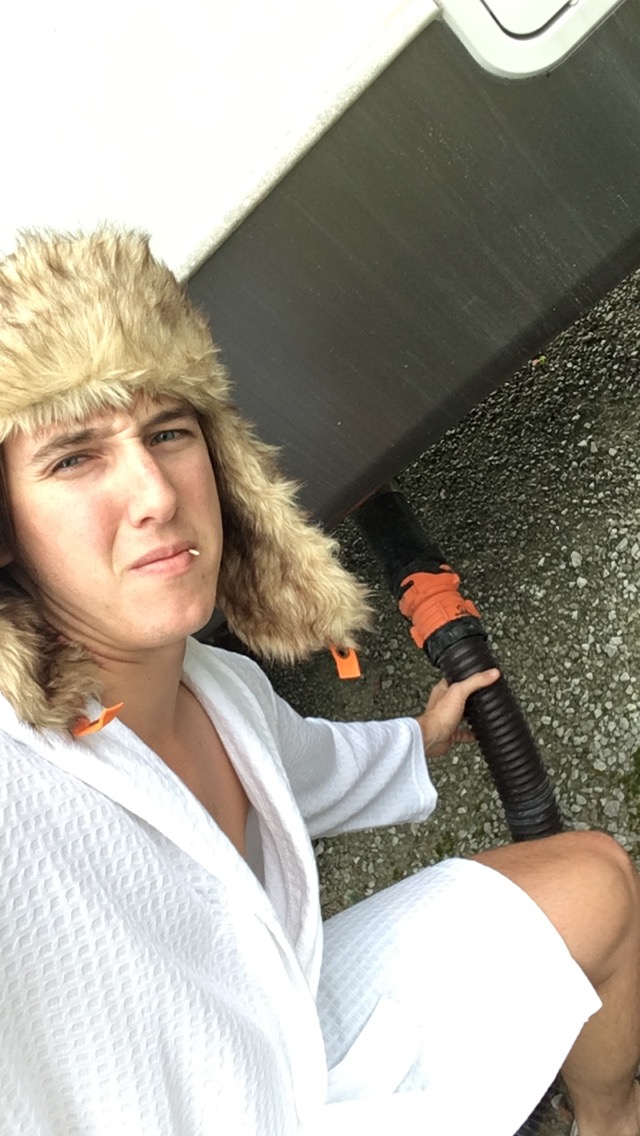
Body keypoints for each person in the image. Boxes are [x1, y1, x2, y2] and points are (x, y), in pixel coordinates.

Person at [0, 230, 637, 1136]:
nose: (155, 494)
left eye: (168, 432)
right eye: (74, 457)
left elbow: (301, 765)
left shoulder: (218, 686)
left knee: (597, 878)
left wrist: (421, 737)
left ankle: (610, 1118)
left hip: (290, 1049)